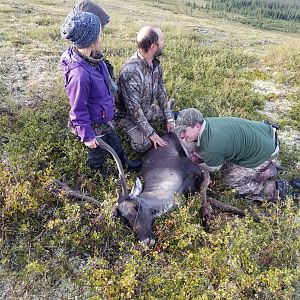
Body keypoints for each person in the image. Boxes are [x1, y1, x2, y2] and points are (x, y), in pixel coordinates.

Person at [60, 11, 141, 175]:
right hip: (92, 124)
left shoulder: (94, 57)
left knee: (114, 143)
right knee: (96, 152)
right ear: (90, 41)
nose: (101, 37)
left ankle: (123, 162)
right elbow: (78, 110)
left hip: (104, 117)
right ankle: (97, 173)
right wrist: (88, 137)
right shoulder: (79, 75)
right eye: (99, 34)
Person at [174, 108, 284, 201]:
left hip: (264, 153)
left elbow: (215, 168)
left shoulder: (210, 145)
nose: (182, 135)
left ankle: (273, 188)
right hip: (268, 134)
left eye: (184, 131)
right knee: (227, 160)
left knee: (228, 184)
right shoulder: (207, 122)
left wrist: (198, 162)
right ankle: (266, 167)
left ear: (197, 125)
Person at [116, 25, 175, 153]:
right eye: (162, 40)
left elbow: (160, 90)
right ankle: (122, 127)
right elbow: (134, 110)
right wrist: (152, 133)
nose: (163, 43)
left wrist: (169, 118)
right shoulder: (131, 71)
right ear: (153, 46)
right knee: (144, 144)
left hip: (145, 109)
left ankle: (165, 111)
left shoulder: (154, 63)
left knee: (171, 116)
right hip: (127, 116)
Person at [73, 0, 117, 96]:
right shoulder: (80, 73)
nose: (101, 37)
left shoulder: (92, 54)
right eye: (99, 31)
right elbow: (79, 109)